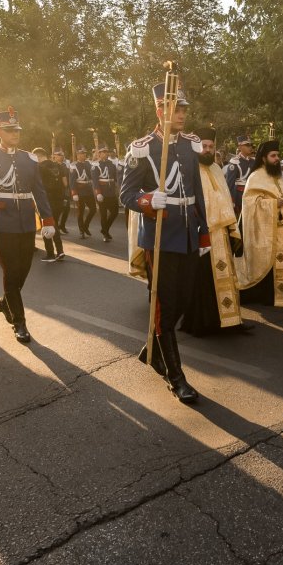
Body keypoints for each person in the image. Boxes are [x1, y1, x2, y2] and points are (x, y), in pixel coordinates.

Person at [120, 82, 208, 404]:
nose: (183, 114)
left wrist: (205, 232)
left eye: (184, 109)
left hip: (186, 234)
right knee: (165, 307)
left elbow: (197, 192)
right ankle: (176, 377)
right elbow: (126, 195)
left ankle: (153, 351)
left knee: (183, 301)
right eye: (177, 109)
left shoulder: (189, 145)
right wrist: (147, 200)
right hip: (160, 237)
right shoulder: (142, 148)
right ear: (161, 111)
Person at [0, 109, 56, 341]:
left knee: (23, 269)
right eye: (10, 130)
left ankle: (5, 302)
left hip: (26, 223)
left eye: (17, 130)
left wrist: (48, 219)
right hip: (2, 222)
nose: (15, 134)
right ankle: (19, 323)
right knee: (11, 272)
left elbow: (38, 192)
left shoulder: (29, 159)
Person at [182, 128, 247, 335]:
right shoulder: (188, 169)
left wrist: (230, 227)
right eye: (204, 146)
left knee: (225, 277)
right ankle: (204, 321)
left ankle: (229, 319)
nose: (208, 150)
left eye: (211, 146)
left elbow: (225, 199)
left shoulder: (218, 169)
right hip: (202, 232)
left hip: (221, 232)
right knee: (202, 279)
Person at [234, 140, 283, 308]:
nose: (277, 159)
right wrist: (273, 204)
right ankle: (268, 293)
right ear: (263, 158)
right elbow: (250, 204)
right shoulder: (255, 177)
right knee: (267, 263)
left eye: (278, 155)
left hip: (281, 229)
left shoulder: (280, 176)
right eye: (273, 156)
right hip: (265, 231)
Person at [37, 148, 69, 261]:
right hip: (59, 200)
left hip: (46, 201)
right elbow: (65, 182)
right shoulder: (59, 166)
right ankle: (60, 251)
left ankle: (50, 253)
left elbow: (36, 185)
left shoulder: (39, 167)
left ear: (38, 156)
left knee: (46, 225)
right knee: (54, 224)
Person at [92, 146, 120, 241]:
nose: (105, 153)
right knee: (103, 214)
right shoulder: (96, 165)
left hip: (111, 192)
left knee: (115, 212)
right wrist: (98, 193)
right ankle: (105, 234)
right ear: (99, 154)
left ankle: (105, 229)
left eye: (106, 152)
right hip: (102, 193)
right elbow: (95, 180)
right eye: (103, 152)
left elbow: (116, 178)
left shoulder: (112, 164)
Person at [224, 135, 256, 216]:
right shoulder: (235, 162)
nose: (250, 147)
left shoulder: (253, 161)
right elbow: (229, 184)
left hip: (252, 196)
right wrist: (231, 201)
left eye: (251, 145)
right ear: (240, 146)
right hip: (239, 196)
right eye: (247, 145)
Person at [70, 147, 96, 239]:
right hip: (79, 191)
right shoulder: (73, 165)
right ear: (77, 155)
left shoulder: (89, 164)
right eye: (81, 154)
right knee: (80, 212)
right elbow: (72, 180)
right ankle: (81, 230)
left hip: (88, 190)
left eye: (84, 154)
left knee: (93, 209)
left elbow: (92, 175)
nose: (83, 155)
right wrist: (74, 193)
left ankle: (85, 226)